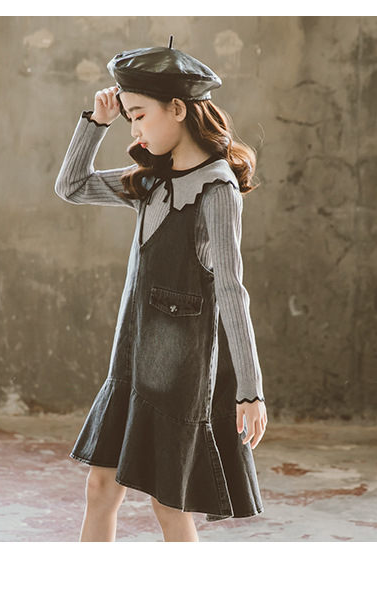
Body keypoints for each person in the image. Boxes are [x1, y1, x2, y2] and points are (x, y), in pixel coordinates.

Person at [54, 38, 267, 542]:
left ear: (177, 108)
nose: (134, 129)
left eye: (139, 115)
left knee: (169, 503)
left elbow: (232, 290)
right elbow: (72, 186)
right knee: (100, 487)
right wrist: (96, 123)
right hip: (130, 361)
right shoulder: (150, 179)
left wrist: (250, 390)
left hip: (179, 373)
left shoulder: (217, 187)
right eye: (128, 117)